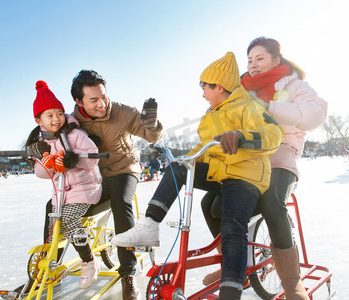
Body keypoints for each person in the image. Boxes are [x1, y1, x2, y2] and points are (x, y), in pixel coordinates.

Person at [111, 52, 284, 300]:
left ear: (219, 86)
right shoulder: (210, 115)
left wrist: (242, 136)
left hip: (246, 176)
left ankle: (230, 291)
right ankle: (150, 225)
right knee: (179, 168)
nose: (202, 92)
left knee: (232, 225)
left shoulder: (248, 106)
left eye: (204, 86)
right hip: (220, 173)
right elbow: (202, 151)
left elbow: (273, 133)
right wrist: (185, 159)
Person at [201, 37, 327, 300]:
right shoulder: (241, 88)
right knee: (210, 204)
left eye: (260, 59)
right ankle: (235, 266)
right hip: (247, 160)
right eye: (249, 60)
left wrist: (270, 107)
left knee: (272, 203)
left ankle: (292, 282)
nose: (253, 65)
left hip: (282, 156)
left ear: (276, 60)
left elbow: (316, 113)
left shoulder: (293, 84)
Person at [71, 70, 163, 299]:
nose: (102, 103)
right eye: (93, 100)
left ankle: (128, 275)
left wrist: (152, 125)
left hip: (124, 170)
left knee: (122, 203)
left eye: (103, 96)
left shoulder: (123, 111)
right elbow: (53, 136)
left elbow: (151, 137)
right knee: (67, 207)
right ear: (78, 101)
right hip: (94, 177)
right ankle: (71, 263)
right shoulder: (72, 122)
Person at [26, 80, 103, 289]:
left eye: (59, 113)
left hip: (85, 189)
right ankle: (54, 265)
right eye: (49, 115)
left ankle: (89, 261)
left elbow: (93, 158)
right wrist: (47, 162)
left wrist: (73, 159)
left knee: (67, 219)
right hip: (61, 194)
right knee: (53, 222)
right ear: (39, 120)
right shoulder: (43, 143)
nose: (56, 119)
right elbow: (41, 174)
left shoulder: (75, 134)